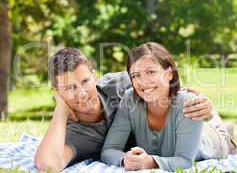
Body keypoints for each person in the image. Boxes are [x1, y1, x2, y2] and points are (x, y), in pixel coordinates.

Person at [34, 47, 219, 171]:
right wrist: (60, 108)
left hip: (193, 137)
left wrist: (204, 104)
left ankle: (219, 127)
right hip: (157, 147)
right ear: (57, 92)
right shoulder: (73, 132)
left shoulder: (121, 84)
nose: (81, 93)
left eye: (85, 82)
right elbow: (48, 166)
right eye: (69, 88)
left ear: (94, 76)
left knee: (214, 134)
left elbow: (170, 89)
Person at [101, 42, 235, 171]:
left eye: (151, 72)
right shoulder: (129, 100)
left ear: (170, 74)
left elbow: (184, 161)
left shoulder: (187, 103)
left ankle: (221, 126)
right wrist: (125, 159)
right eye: (135, 75)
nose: (143, 82)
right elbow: (109, 150)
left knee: (222, 135)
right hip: (191, 128)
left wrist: (151, 162)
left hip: (213, 142)